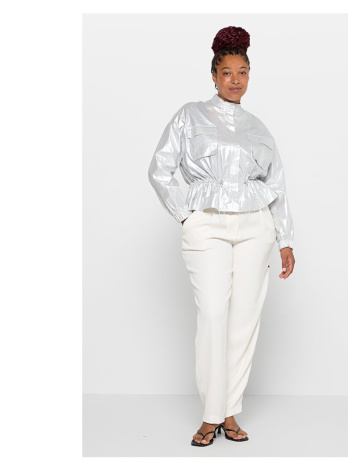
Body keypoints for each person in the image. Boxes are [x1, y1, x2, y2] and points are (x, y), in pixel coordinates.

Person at [148, 26, 295, 447]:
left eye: (242, 72)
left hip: (254, 228)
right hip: (207, 225)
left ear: (250, 75)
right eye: (227, 72)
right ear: (213, 76)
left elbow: (276, 184)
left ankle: (229, 412)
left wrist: (284, 239)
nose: (235, 80)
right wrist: (186, 216)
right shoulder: (190, 115)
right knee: (213, 314)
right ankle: (210, 414)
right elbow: (159, 169)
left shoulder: (258, 128)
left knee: (243, 321)